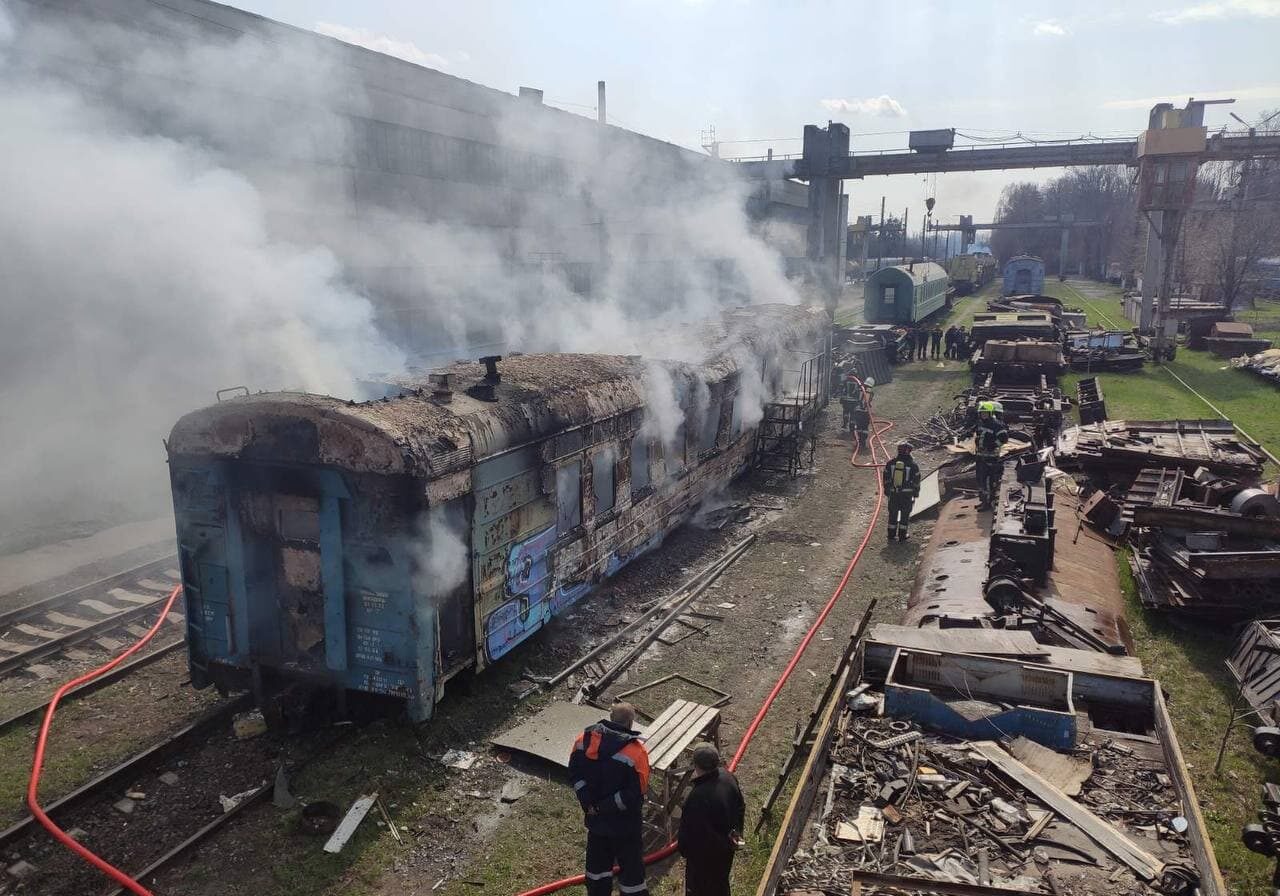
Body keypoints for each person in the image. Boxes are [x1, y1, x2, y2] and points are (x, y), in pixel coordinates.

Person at [569, 703, 651, 896]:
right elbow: (636, 792)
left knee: (596, 872)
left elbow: (575, 774)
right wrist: (603, 807)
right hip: (625, 827)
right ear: (630, 723)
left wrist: (589, 804)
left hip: (596, 824)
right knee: (632, 878)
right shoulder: (636, 752)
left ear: (610, 717)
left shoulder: (583, 740)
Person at [677, 744, 745, 896]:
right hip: (726, 851)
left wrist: (685, 852)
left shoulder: (697, 797)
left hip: (704, 862)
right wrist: (737, 835)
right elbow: (741, 807)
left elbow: (688, 834)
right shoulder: (728, 777)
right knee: (721, 885)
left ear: (696, 765)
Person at [973, 402, 1010, 510]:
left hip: (991, 458)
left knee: (989, 481)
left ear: (990, 413)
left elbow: (1004, 439)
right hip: (980, 456)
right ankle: (983, 500)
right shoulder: (981, 424)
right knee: (980, 479)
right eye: (982, 413)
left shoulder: (996, 425)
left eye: (985, 413)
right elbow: (979, 436)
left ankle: (988, 503)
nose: (983, 415)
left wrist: (993, 445)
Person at [882, 442, 921, 542]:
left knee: (893, 514)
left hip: (893, 494)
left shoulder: (890, 463)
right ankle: (902, 536)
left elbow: (885, 478)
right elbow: (916, 481)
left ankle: (891, 535)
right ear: (909, 452)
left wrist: (887, 490)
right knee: (905, 515)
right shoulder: (913, 465)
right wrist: (916, 493)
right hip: (906, 495)